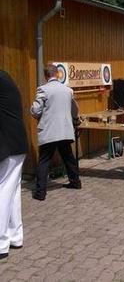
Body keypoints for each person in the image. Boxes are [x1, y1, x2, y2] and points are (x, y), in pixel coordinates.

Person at [31, 64, 81, 201]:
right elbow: (75, 109)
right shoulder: (67, 90)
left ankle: (40, 193)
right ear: (58, 74)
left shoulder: (43, 89)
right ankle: (75, 182)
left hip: (49, 130)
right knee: (68, 157)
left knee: (44, 160)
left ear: (46, 76)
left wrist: (35, 114)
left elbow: (35, 111)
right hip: (65, 129)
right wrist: (75, 120)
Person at [0, 71, 28, 260]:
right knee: (11, 190)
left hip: (8, 144)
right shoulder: (4, 77)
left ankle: (1, 243)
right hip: (15, 143)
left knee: (3, 190)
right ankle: (15, 236)